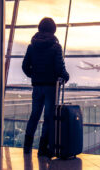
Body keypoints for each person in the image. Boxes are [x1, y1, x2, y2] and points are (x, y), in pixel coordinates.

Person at [22, 17, 69, 157]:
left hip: (37, 86)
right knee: (48, 117)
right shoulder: (55, 47)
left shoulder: (32, 46)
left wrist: (35, 76)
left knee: (34, 115)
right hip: (50, 86)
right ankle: (43, 148)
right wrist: (66, 76)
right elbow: (59, 68)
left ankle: (27, 146)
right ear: (53, 30)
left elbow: (25, 66)